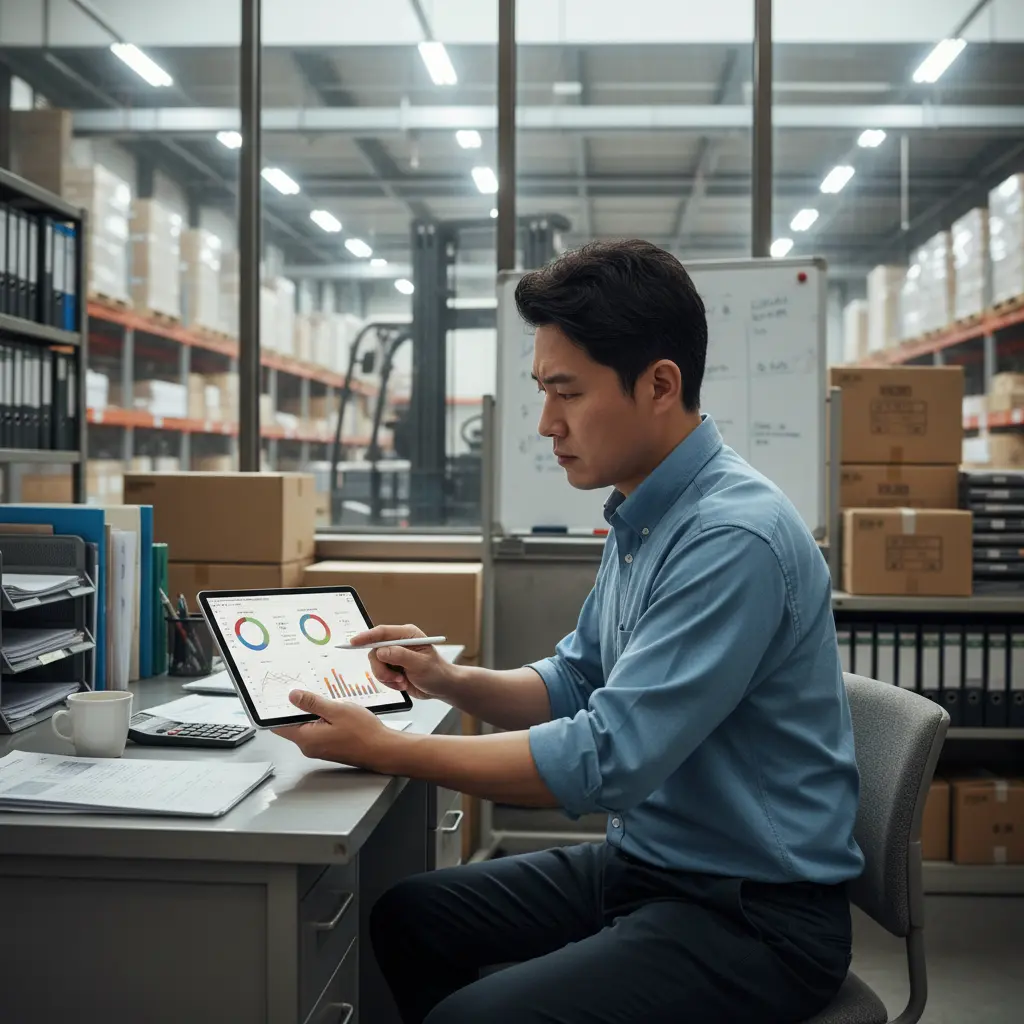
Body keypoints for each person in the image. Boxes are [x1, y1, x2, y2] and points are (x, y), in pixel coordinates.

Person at [275, 239, 864, 1024]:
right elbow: (578, 681)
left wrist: (389, 749)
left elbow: (608, 759)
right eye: (541, 392)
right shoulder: (646, 513)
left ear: (660, 385)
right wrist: (448, 679)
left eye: (568, 393)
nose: (548, 423)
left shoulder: (732, 539)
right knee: (409, 917)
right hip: (654, 865)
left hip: (754, 913)